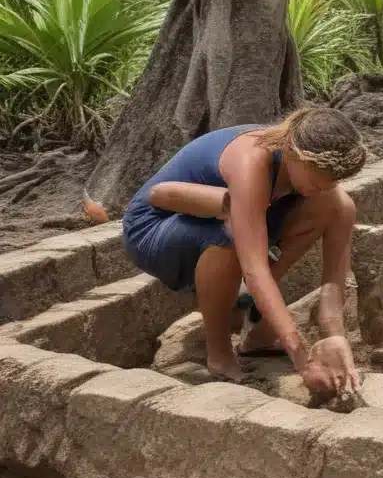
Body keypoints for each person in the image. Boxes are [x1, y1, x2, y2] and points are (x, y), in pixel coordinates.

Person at [122, 106, 366, 394]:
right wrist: (301, 359)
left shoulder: (324, 191)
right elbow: (255, 270)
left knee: (331, 208)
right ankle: (220, 353)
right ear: (291, 152)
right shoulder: (252, 161)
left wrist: (335, 339)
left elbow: (334, 281)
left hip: (230, 214)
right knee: (230, 234)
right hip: (156, 227)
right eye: (313, 182)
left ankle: (259, 335)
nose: (316, 190)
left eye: (329, 184)